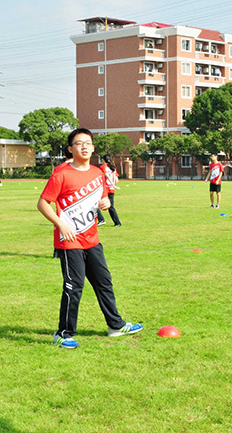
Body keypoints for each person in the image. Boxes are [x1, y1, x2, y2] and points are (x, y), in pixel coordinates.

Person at [38, 128, 142, 349]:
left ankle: (115, 325)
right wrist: (60, 223)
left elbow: (102, 199)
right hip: (70, 240)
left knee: (104, 281)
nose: (84, 146)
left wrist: (106, 203)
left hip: (92, 239)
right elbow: (43, 203)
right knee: (73, 286)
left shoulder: (97, 173)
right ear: (70, 149)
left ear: (93, 147)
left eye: (88, 143)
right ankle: (63, 333)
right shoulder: (61, 174)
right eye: (78, 143)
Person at [99, 155, 122, 227]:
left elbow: (107, 177)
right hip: (111, 189)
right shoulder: (113, 167)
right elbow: (116, 179)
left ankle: (101, 220)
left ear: (103, 160)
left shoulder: (103, 167)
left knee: (95, 204)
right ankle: (117, 222)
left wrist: (113, 185)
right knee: (111, 206)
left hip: (105, 189)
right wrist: (114, 185)